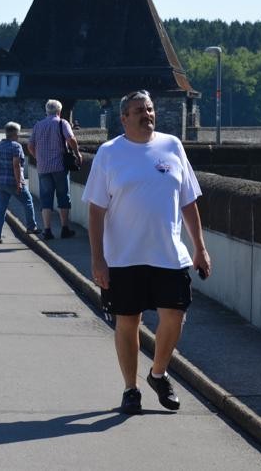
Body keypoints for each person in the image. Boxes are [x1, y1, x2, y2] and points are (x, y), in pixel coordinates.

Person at [82, 90, 212, 414]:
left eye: (150, 109)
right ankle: (131, 388)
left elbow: (188, 202)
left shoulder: (172, 146)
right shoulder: (109, 154)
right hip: (124, 257)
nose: (147, 115)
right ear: (123, 117)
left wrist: (200, 248)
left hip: (169, 254)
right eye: (139, 110)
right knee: (128, 322)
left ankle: (158, 372)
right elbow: (96, 212)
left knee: (175, 316)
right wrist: (98, 259)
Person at [28, 99, 82, 241]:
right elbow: (71, 139)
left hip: (43, 168)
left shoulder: (38, 125)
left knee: (46, 199)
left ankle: (47, 230)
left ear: (46, 111)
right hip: (59, 166)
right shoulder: (61, 123)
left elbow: (30, 146)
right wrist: (77, 153)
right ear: (59, 111)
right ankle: (64, 228)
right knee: (63, 196)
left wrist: (38, 158)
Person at [0, 121, 39, 243]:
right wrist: (18, 183)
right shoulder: (16, 146)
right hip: (12, 182)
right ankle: (31, 227)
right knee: (27, 201)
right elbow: (16, 165)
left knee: (0, 210)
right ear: (15, 133)